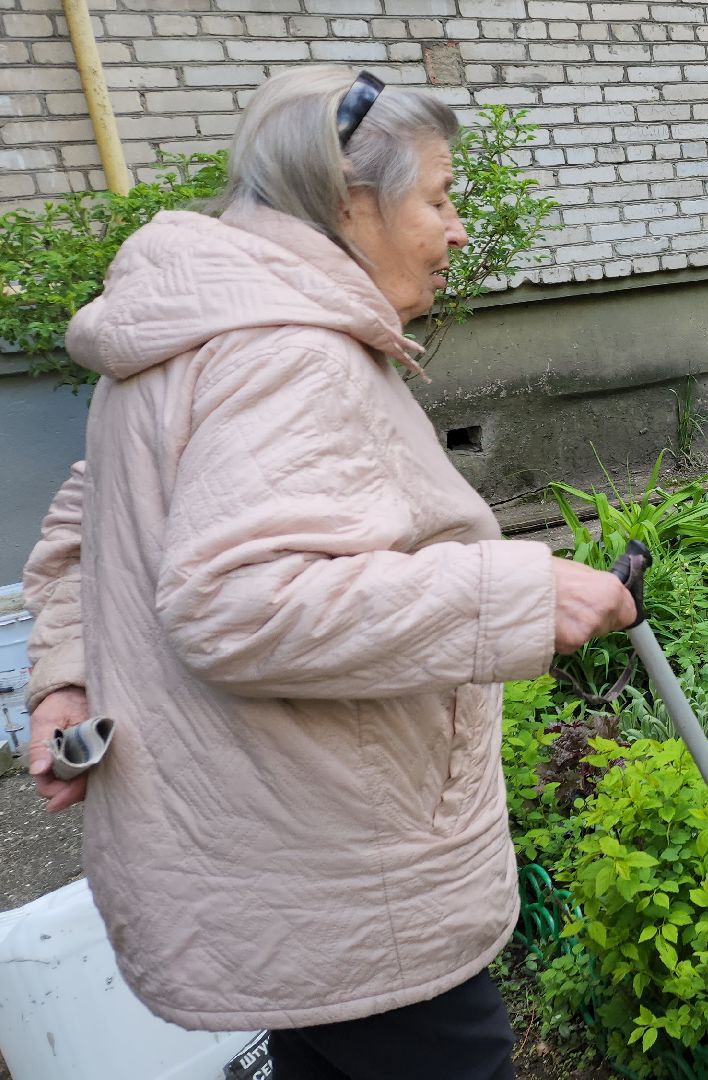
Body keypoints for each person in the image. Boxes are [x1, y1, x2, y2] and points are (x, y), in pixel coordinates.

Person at [21, 67, 636, 1079]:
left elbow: (92, 527)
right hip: (342, 866)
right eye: (439, 198)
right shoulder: (286, 355)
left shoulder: (186, 333)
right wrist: (522, 593)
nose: (457, 229)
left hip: (265, 850)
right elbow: (236, 604)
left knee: (324, 1052)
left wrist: (65, 676)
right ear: (352, 200)